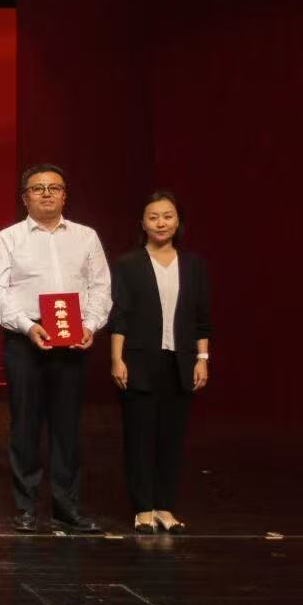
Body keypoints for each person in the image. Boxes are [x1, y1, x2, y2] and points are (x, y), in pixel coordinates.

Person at [0, 164, 111, 533]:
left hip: (72, 340)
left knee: (67, 427)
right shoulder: (9, 238)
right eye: (37, 188)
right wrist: (27, 326)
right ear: (24, 197)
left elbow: (100, 287)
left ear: (64, 195)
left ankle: (66, 507)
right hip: (26, 338)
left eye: (54, 188)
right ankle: (26, 506)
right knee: (25, 425)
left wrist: (90, 325)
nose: (46, 194)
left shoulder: (86, 237)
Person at [110, 190, 211, 534]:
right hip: (139, 362)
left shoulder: (193, 265)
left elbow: (201, 319)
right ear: (142, 223)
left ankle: (165, 507)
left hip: (180, 363)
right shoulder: (128, 263)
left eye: (168, 216)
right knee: (139, 437)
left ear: (178, 221)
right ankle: (142, 508)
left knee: (172, 438)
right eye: (153, 217)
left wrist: (202, 359)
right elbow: (120, 316)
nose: (161, 223)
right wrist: (117, 359)